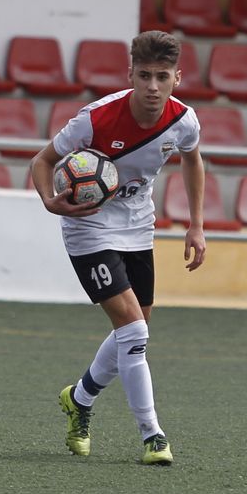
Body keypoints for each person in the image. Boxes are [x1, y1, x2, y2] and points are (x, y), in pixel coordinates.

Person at [31, 30, 205, 466]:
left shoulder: (183, 121)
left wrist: (196, 225)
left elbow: (193, 158)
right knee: (134, 331)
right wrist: (51, 202)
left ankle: (80, 397)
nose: (151, 86)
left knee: (136, 330)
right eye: (143, 75)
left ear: (176, 78)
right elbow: (42, 161)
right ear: (130, 74)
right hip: (88, 228)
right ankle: (153, 434)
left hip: (137, 226)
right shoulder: (95, 119)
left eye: (161, 76)